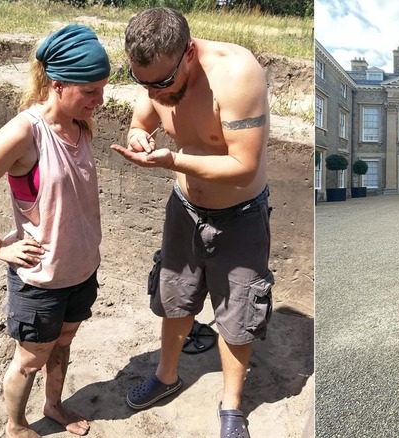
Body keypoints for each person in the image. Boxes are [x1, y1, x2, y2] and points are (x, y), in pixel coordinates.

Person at [111, 8, 272, 438]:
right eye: (142, 82)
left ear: (188, 53)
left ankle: (231, 404)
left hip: (238, 216)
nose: (153, 92)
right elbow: (141, 120)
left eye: (162, 83)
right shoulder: (155, 75)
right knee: (175, 297)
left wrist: (173, 161)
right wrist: (137, 135)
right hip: (184, 209)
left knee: (238, 313)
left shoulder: (236, 76)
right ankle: (166, 376)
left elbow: (243, 167)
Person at [0, 25, 110, 438]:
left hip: (81, 270)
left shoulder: (79, 123)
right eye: (91, 91)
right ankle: (16, 425)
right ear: (58, 84)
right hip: (41, 280)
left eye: (102, 88)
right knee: (29, 360)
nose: (100, 100)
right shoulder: (26, 132)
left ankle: (53, 405)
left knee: (63, 344)